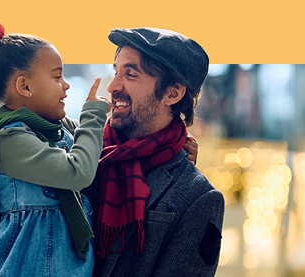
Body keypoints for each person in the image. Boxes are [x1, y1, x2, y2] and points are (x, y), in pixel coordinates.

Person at [0, 18, 110, 277]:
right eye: (57, 76)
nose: (66, 85)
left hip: (62, 262)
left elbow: (101, 144)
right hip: (24, 262)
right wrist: (93, 115)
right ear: (24, 86)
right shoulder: (7, 138)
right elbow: (76, 172)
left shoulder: (59, 127)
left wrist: (178, 148)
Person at [82, 27, 224, 277]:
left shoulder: (198, 197)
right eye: (115, 72)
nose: (113, 86)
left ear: (173, 92)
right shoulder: (81, 148)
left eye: (131, 74)